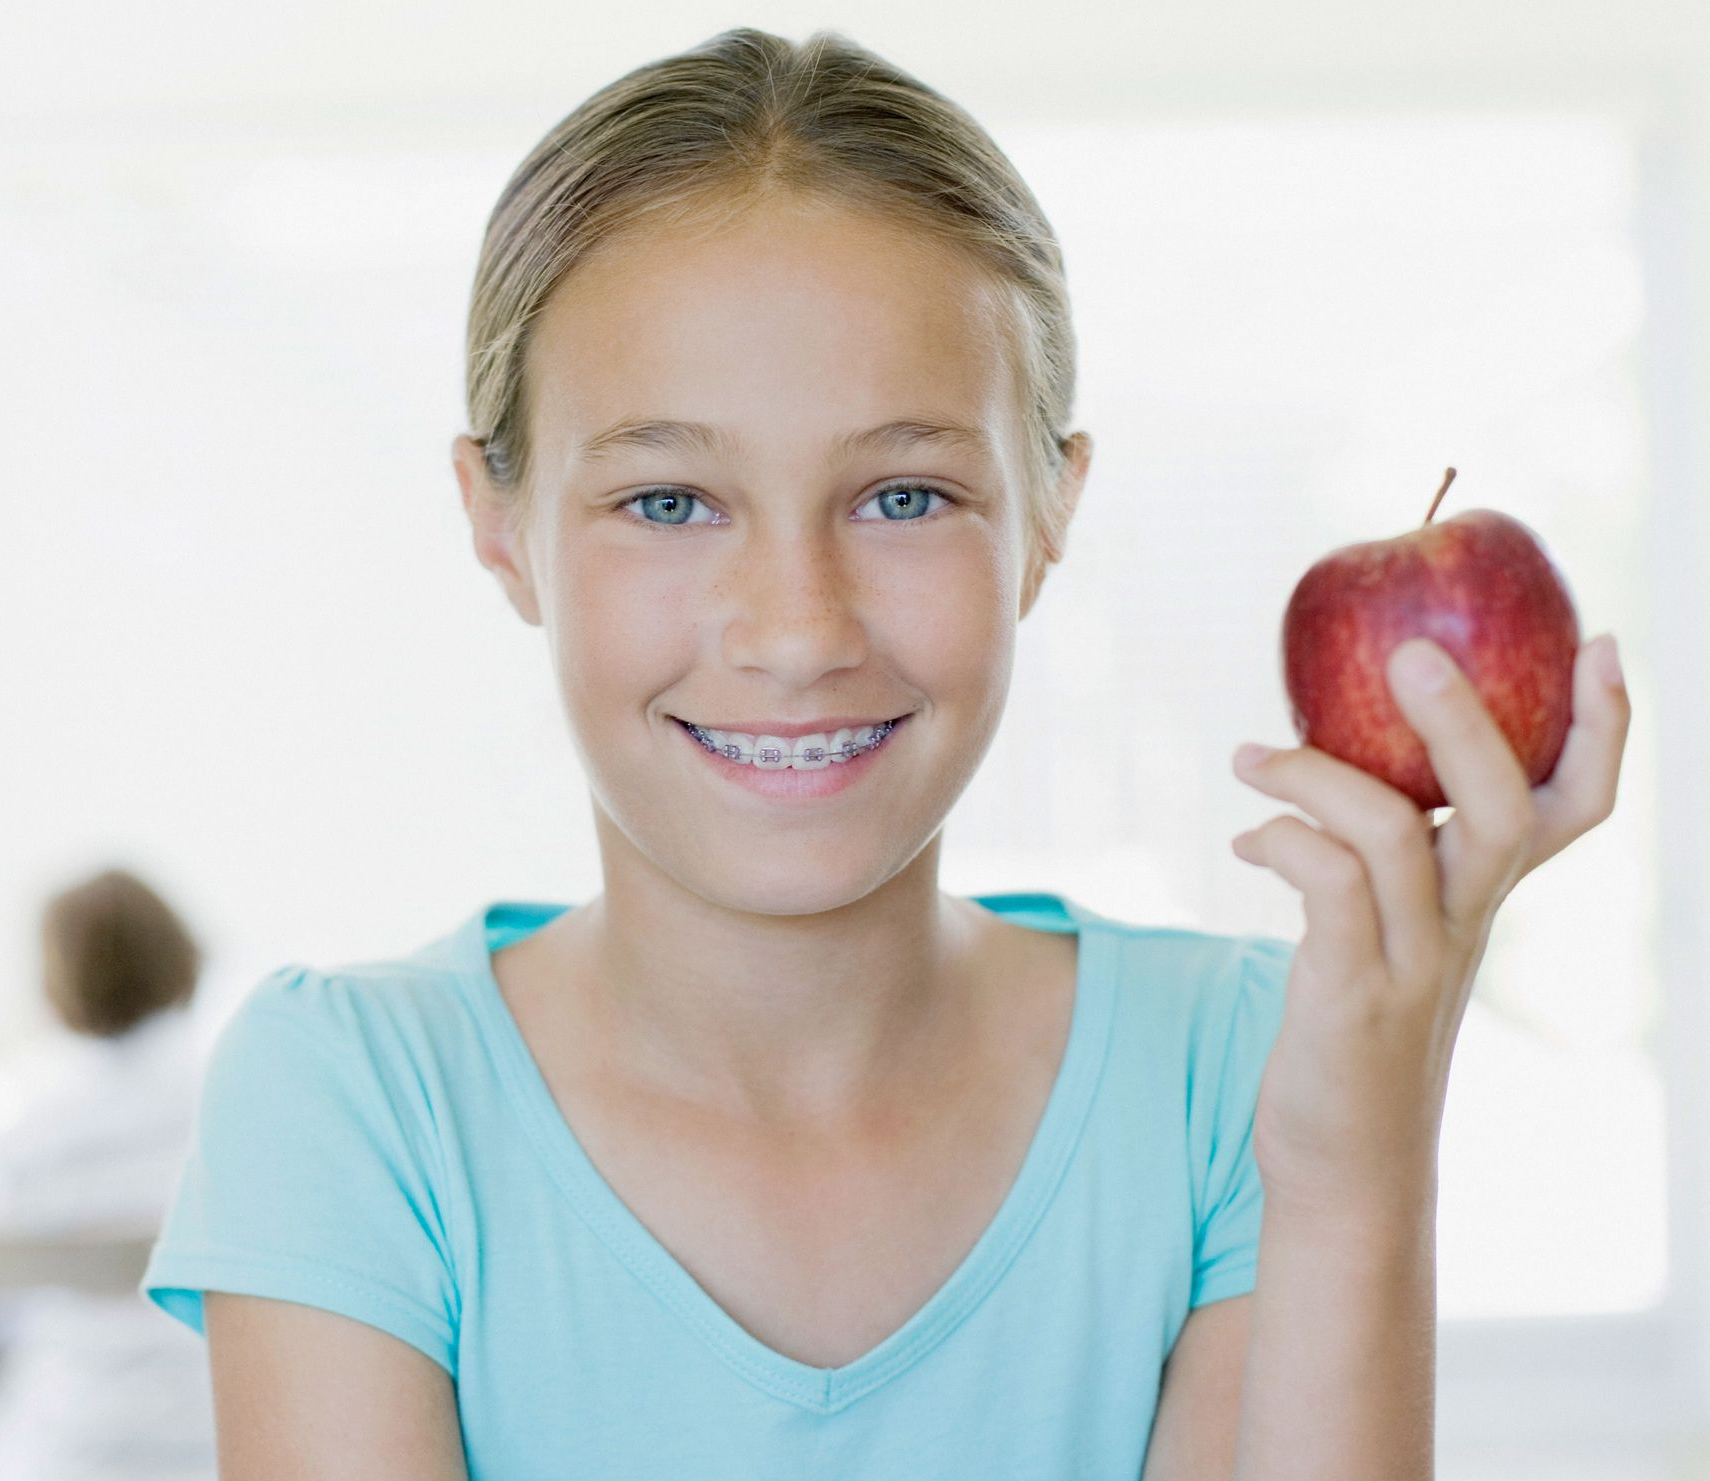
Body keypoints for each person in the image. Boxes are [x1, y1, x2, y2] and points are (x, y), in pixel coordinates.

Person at [138, 26, 1631, 1480]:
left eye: (903, 497)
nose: (796, 631)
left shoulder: (1238, 1074)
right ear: (495, 524)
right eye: (667, 502)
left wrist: (1349, 1173)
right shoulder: (356, 1101)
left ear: (1049, 511)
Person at [0, 868, 217, 1479]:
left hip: (66, 1448)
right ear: (182, 955)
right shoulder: (228, 1102)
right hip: (215, 1440)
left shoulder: (28, 1128)